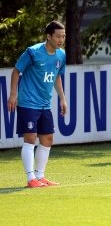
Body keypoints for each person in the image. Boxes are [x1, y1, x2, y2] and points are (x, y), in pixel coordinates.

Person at [8, 21, 67, 188]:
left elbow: (57, 76)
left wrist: (62, 98)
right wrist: (13, 94)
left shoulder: (61, 55)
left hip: (45, 103)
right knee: (30, 137)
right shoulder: (33, 52)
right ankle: (30, 178)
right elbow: (16, 71)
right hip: (28, 101)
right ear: (48, 36)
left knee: (48, 138)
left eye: (63, 36)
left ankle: (40, 176)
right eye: (58, 36)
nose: (61, 39)